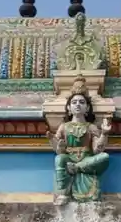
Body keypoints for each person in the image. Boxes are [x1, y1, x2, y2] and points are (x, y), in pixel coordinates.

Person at [48, 76, 112, 204]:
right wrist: (57, 144)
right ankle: (63, 193)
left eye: (82, 102)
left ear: (87, 108)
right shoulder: (64, 127)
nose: (78, 105)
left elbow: (96, 150)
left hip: (86, 159)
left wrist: (104, 133)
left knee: (104, 157)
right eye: (74, 102)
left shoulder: (91, 127)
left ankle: (76, 168)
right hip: (69, 158)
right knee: (59, 159)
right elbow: (59, 150)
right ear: (68, 108)